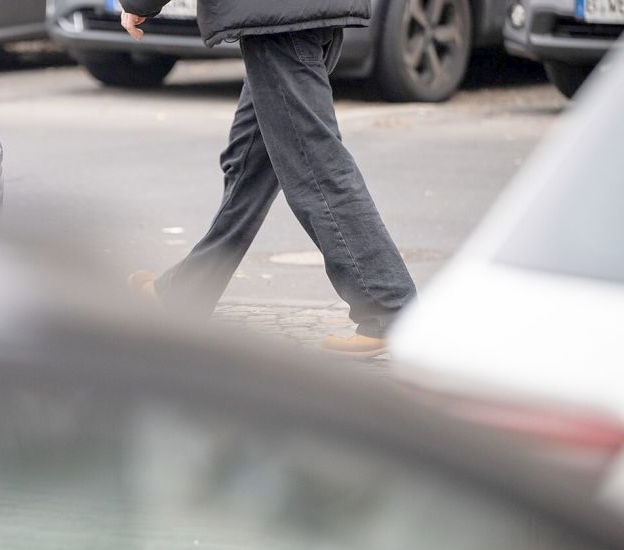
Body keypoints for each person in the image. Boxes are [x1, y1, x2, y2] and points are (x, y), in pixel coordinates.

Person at [120, 0, 417, 358]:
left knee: (315, 166)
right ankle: (182, 296)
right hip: (299, 14)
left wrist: (140, 5)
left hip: (278, 23)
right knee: (249, 164)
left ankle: (389, 307)